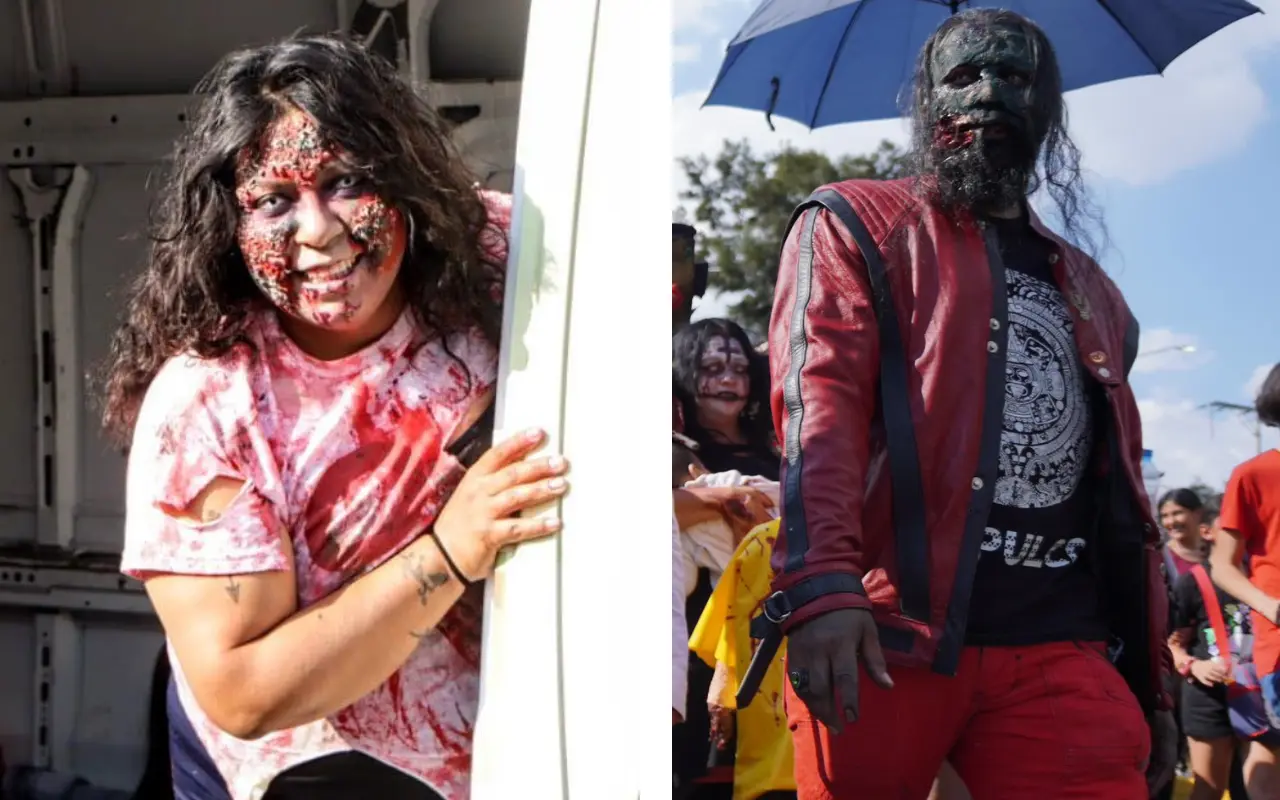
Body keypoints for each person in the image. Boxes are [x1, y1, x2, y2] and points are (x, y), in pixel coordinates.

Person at [101, 34, 568, 800]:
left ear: (407, 183)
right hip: (297, 770)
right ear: (231, 222)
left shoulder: (497, 251)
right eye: (275, 201)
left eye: (348, 182)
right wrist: (452, 549)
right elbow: (244, 692)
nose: (317, 231)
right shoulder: (207, 407)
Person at [763, 10, 1175, 799]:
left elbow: (1122, 495)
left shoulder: (1100, 296)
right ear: (927, 104)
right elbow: (818, 412)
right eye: (962, 76)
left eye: (1014, 77)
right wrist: (821, 587)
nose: (988, 92)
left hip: (1063, 645)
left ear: (1047, 106)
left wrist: (1151, 682)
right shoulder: (855, 223)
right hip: (884, 635)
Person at [1210, 363, 1280, 799]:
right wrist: (1270, 605)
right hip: (1278, 641)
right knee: (1270, 750)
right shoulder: (1254, 474)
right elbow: (1222, 564)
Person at [1169, 517, 1278, 799]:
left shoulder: (1264, 575)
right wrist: (1194, 665)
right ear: (1208, 532)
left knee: (1264, 788)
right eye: (1231, 529)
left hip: (1260, 693)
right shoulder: (1193, 581)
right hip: (1208, 696)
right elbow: (1171, 643)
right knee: (1209, 788)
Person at [674, 319, 778, 481]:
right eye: (712, 368)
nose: (729, 379)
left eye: (740, 369)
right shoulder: (676, 454)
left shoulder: (781, 442)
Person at [1164, 489, 1210, 579]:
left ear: (1198, 513)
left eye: (1177, 513)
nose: (1171, 522)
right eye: (1165, 516)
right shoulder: (1161, 557)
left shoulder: (1217, 550)